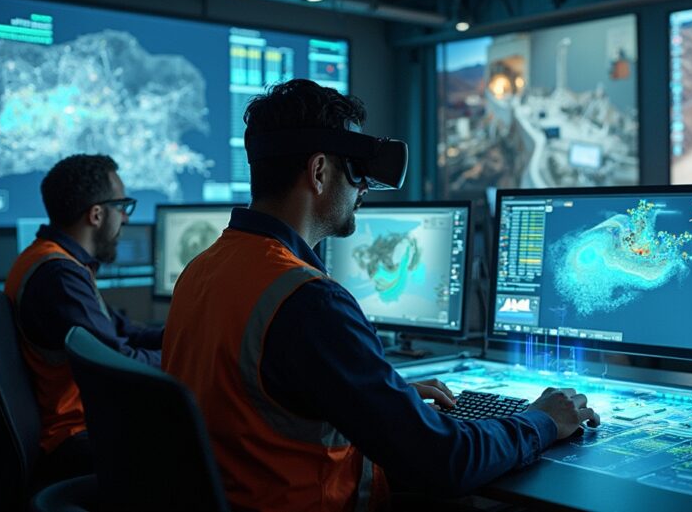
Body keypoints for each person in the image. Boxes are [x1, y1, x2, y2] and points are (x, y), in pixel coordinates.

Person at [163, 79, 599, 512]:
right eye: (355, 171)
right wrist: (542, 420)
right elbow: (445, 462)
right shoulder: (307, 299)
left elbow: (259, 397)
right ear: (319, 172)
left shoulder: (204, 269)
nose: (364, 188)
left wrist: (383, 395)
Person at [4, 154, 164, 484]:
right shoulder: (58, 275)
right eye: (123, 207)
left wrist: (184, 334)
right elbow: (117, 364)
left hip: (85, 425)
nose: (126, 219)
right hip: (75, 437)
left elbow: (121, 330)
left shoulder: (55, 260)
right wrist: (189, 356)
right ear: (96, 214)